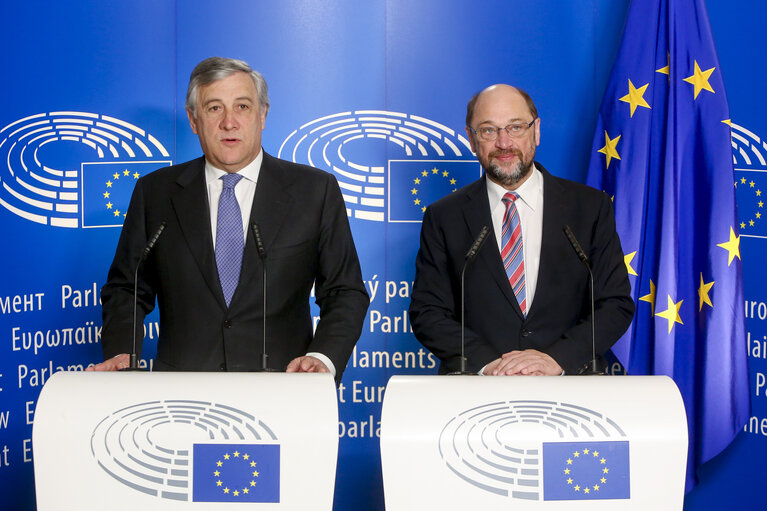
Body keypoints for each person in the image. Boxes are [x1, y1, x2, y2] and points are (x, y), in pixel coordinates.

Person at [89, 57, 369, 382]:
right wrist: (123, 351)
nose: (229, 122)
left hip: (286, 390)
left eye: (243, 107)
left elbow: (345, 291)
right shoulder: (156, 193)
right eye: (214, 108)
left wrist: (322, 358)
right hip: (181, 395)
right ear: (194, 120)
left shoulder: (315, 191)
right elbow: (127, 287)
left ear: (262, 115)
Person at [408, 84, 634, 376]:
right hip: (477, 393)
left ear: (536, 130)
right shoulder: (444, 217)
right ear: (471, 139)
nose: (504, 143)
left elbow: (615, 303)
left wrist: (557, 360)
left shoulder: (589, 208)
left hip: (573, 387)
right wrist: (491, 365)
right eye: (489, 130)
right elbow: (428, 312)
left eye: (515, 127)